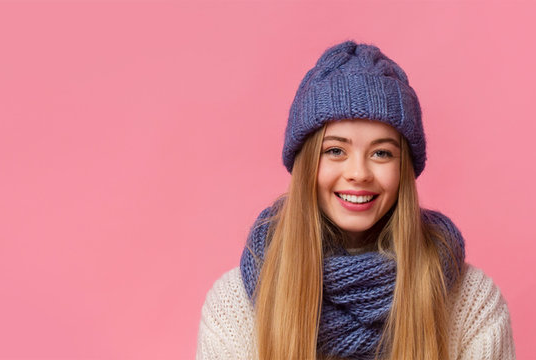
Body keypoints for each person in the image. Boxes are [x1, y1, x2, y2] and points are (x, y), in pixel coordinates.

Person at [195, 40, 515, 360]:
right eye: (335, 150)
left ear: (403, 169)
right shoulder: (234, 307)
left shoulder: (471, 303)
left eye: (381, 152)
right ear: (306, 165)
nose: (359, 172)